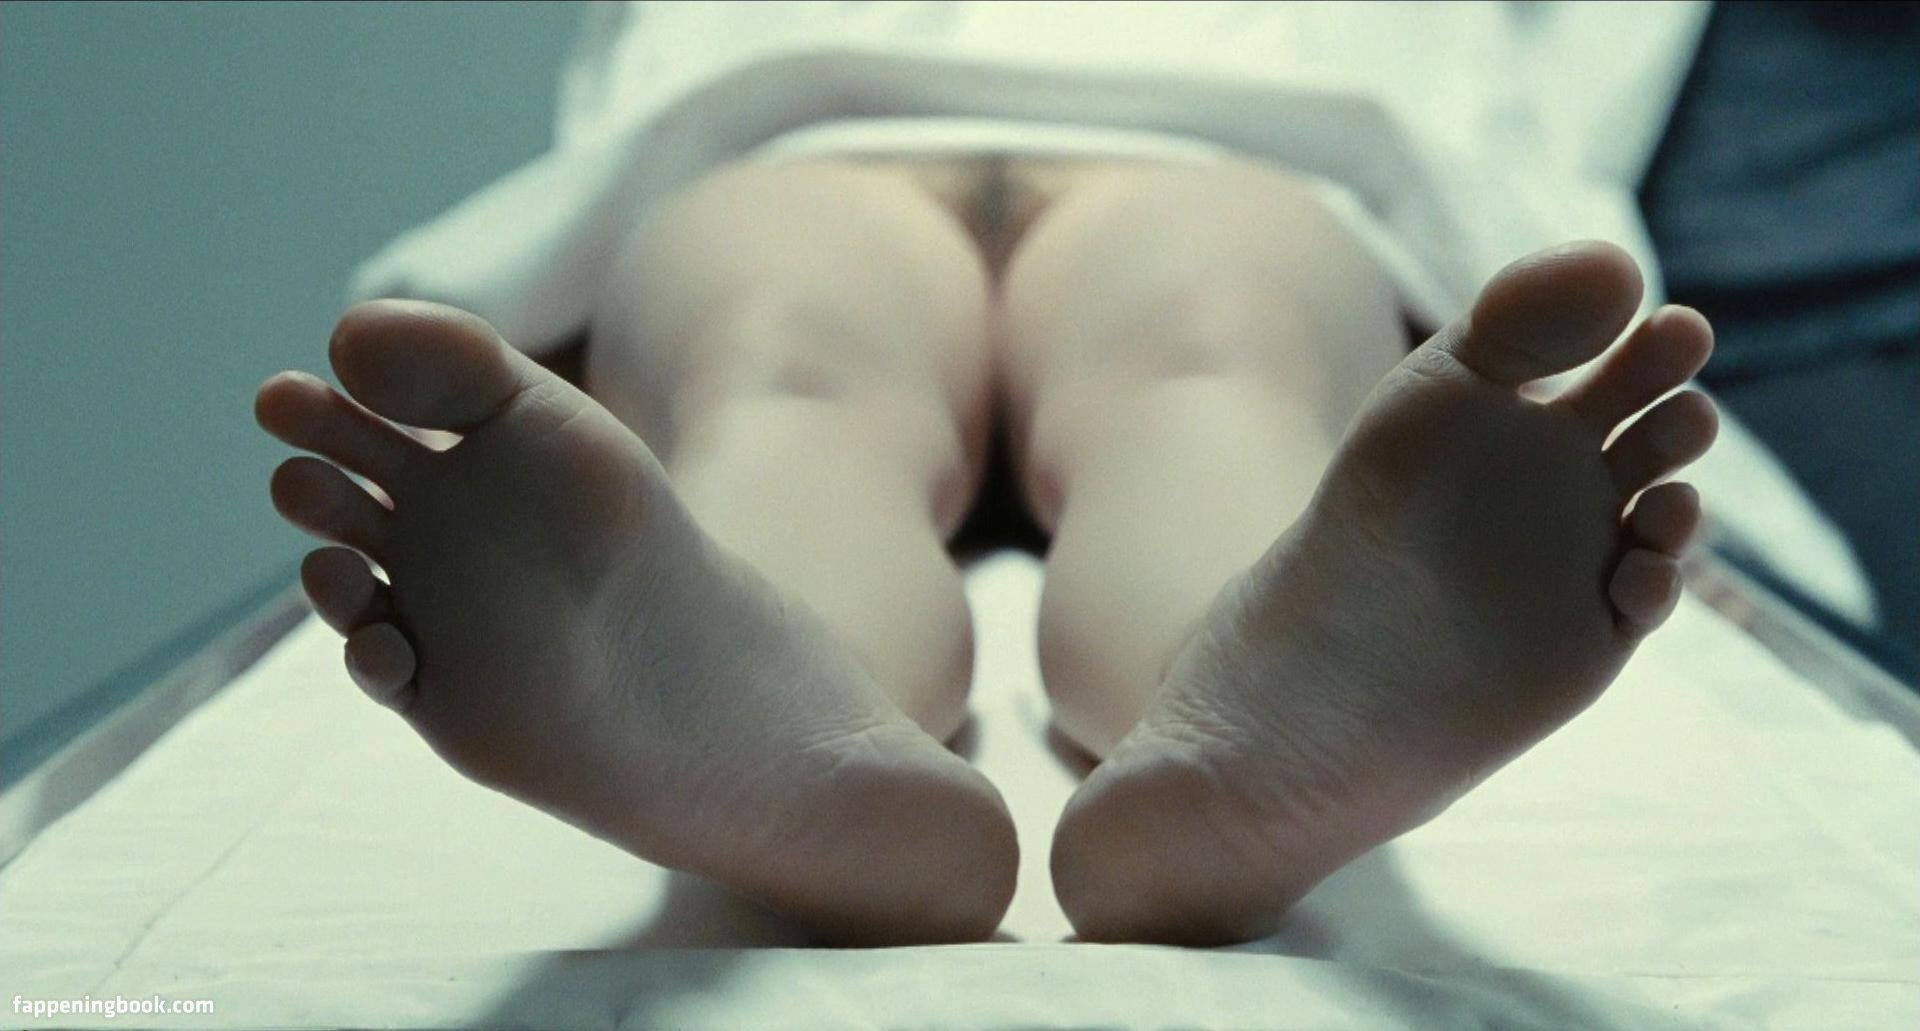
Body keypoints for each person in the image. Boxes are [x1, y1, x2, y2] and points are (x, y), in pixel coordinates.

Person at [255, 146, 1716, 947]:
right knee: (1209, 374)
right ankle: (1201, 680)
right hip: (1181, 156)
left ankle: (814, 697)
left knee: (787, 383)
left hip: (841, 155)